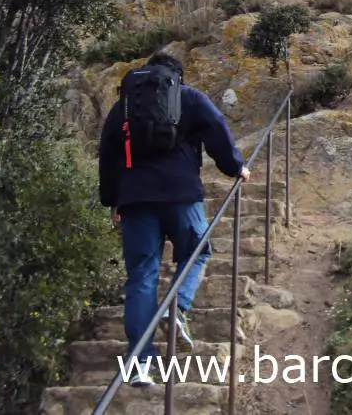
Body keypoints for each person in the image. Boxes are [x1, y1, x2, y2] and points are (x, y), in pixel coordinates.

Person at [98, 51, 249, 386]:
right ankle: (176, 307)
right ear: (177, 75)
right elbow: (216, 129)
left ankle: (138, 364)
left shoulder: (124, 105)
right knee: (198, 251)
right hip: (181, 195)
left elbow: (108, 153)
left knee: (141, 276)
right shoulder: (188, 96)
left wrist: (113, 200)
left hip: (135, 200)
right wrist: (236, 167)